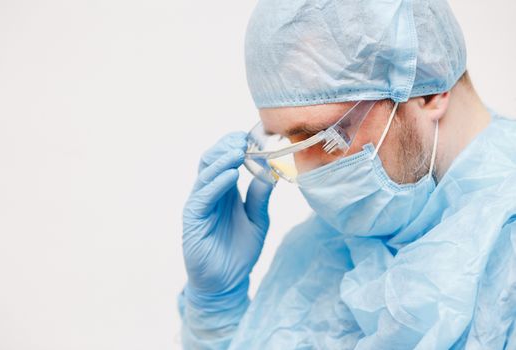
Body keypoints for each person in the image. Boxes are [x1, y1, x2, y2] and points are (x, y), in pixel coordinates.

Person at [179, 0, 516, 348]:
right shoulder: (322, 246)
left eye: (326, 138)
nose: (308, 172)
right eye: (288, 141)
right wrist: (216, 316)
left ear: (428, 90)